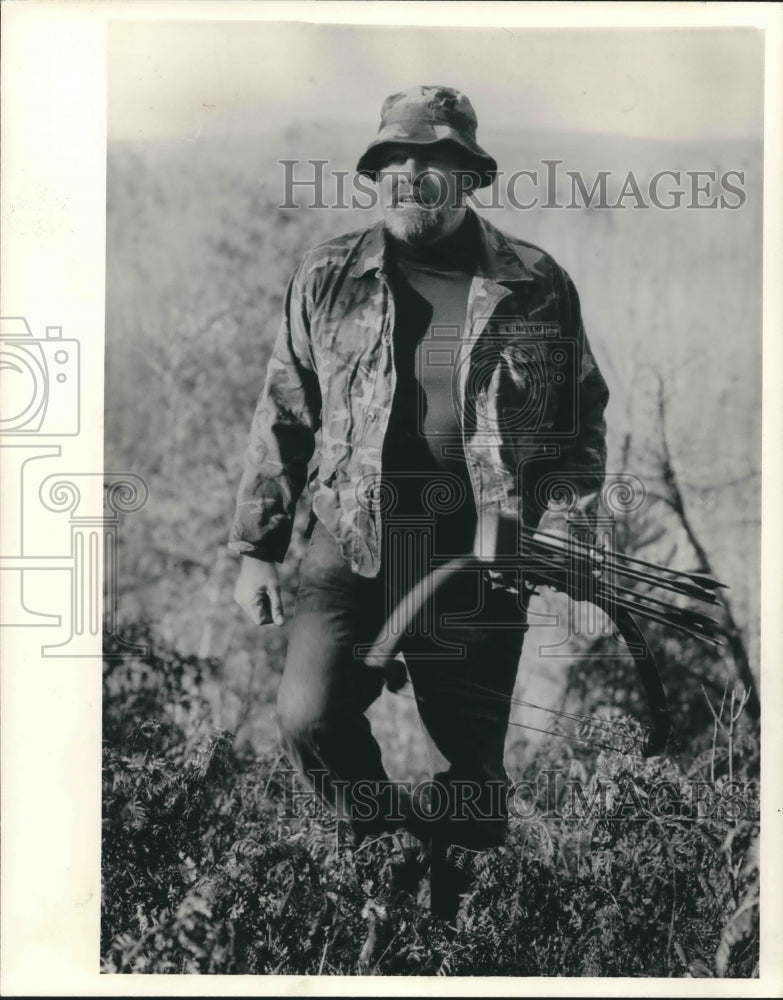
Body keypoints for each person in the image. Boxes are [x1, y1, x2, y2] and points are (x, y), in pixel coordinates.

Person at [230, 85, 609, 909]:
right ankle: (389, 862)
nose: (411, 175)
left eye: (434, 161)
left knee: (473, 774)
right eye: (394, 160)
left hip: (478, 559)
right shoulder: (329, 277)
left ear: (468, 176)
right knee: (309, 720)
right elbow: (285, 411)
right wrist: (257, 548)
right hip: (350, 539)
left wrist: (561, 528)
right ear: (375, 174)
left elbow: (578, 427)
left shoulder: (535, 285)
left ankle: (456, 926)